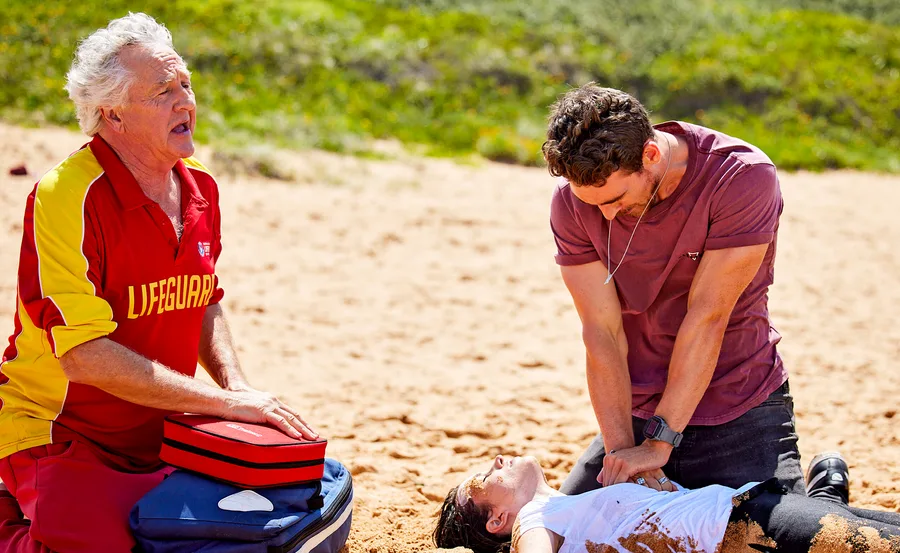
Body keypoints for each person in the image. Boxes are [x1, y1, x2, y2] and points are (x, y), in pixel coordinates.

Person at [0, 13, 316, 553]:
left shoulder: (202, 189)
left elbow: (205, 298)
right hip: (63, 432)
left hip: (164, 434)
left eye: (186, 85)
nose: (184, 101)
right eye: (163, 91)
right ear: (112, 114)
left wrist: (234, 387)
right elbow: (84, 357)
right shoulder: (65, 195)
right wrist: (225, 407)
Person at [541, 83, 822, 497]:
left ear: (650, 155)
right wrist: (623, 451)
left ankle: (827, 489)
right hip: (636, 414)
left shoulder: (741, 178)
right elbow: (602, 333)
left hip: (737, 402)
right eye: (592, 203)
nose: (605, 215)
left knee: (782, 534)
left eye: (616, 198)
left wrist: (660, 445)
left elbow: (707, 316)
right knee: (573, 532)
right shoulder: (572, 204)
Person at [434, 454, 900, 553]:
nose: (495, 459)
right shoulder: (534, 519)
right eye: (483, 478)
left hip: (756, 513)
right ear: (498, 518)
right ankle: (826, 497)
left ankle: (826, 498)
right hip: (749, 527)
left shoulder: (578, 507)